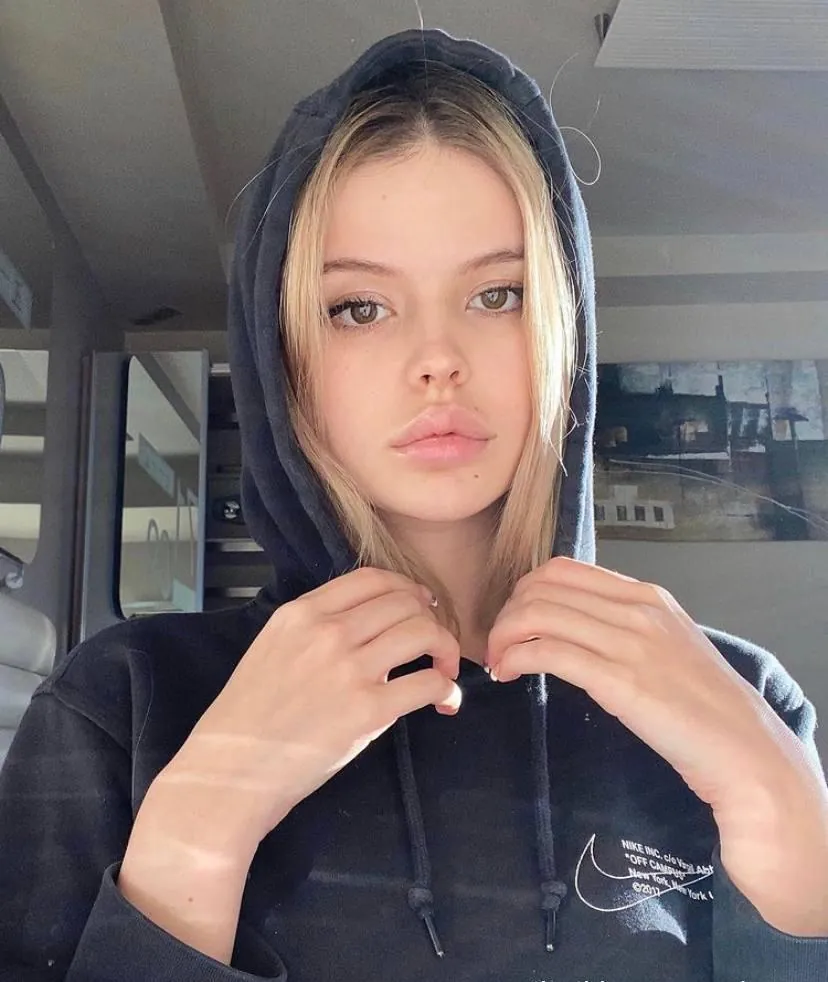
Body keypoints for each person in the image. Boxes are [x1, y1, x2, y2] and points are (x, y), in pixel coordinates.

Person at [1, 28, 827, 982]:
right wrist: (200, 829)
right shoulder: (122, 704)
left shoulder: (744, 695)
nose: (438, 359)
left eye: (498, 295)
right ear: (284, 360)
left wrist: (778, 801)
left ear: (564, 331)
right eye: (359, 308)